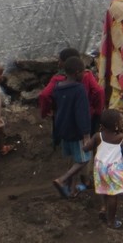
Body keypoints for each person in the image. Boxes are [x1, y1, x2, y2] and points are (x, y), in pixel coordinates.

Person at [51, 56, 93, 199]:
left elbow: (56, 109)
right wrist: (86, 134)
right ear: (77, 73)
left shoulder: (58, 88)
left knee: (74, 160)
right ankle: (62, 180)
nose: (84, 74)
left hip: (63, 129)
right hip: (76, 132)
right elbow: (82, 113)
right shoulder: (79, 89)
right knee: (84, 159)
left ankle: (71, 189)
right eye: (83, 72)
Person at [39, 47, 106, 133]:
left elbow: (44, 95)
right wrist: (97, 111)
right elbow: (99, 91)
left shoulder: (57, 79)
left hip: (65, 118)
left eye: (60, 61)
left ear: (66, 63)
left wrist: (47, 111)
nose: (58, 64)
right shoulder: (87, 75)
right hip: (86, 115)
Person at [89, 108, 123, 228]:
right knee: (113, 195)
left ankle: (103, 208)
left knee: (104, 188)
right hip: (114, 169)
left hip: (100, 166)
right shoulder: (120, 137)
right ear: (116, 125)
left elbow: (87, 147)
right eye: (121, 121)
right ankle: (111, 221)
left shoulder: (98, 136)